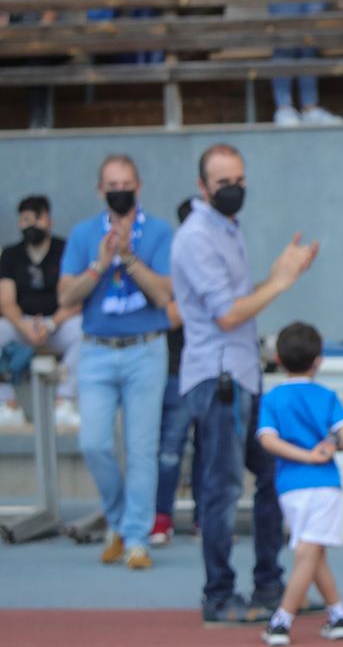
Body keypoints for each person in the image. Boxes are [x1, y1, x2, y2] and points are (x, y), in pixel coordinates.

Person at [171, 144, 319, 623]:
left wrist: (277, 276)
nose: (234, 189)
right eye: (223, 182)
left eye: (240, 179)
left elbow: (241, 301)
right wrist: (282, 283)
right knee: (221, 488)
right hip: (218, 381)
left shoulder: (226, 229)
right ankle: (218, 594)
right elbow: (229, 314)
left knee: (272, 476)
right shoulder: (196, 237)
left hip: (242, 375)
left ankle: (268, 583)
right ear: (202, 187)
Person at [56, 155, 173, 572]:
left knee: (142, 450)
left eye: (126, 183)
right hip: (97, 351)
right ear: (100, 190)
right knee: (95, 443)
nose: (119, 190)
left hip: (145, 348)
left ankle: (136, 538)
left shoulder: (158, 232)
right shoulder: (86, 234)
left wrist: (129, 257)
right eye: (111, 184)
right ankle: (120, 520)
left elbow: (164, 295)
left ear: (138, 187)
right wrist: (101, 262)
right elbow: (67, 297)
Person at [257, 322, 343, 646]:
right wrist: (326, 448)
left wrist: (301, 455)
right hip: (325, 485)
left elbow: (268, 440)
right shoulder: (327, 396)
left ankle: (282, 621)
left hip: (290, 487)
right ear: (318, 361)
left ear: (279, 360)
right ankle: (337, 615)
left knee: (308, 552)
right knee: (312, 554)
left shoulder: (272, 398)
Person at [0, 195, 82, 430]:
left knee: (84, 329)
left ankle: (64, 403)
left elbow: (77, 299)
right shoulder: (10, 254)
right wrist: (24, 326)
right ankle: (8, 405)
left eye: (37, 219)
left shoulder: (65, 249)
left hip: (59, 322)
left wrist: (52, 324)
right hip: (22, 324)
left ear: (49, 220)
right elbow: (6, 301)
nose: (31, 225)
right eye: (25, 220)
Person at [152, 198, 198, 546]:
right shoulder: (169, 265)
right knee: (170, 449)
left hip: (213, 370)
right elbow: (169, 317)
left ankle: (205, 517)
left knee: (212, 449)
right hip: (174, 370)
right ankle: (161, 517)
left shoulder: (225, 260)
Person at [0, 0, 65, 129]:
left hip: (37, 39)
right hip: (5, 43)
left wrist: (39, 33)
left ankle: (40, 122)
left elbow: (53, 3)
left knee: (38, 60)